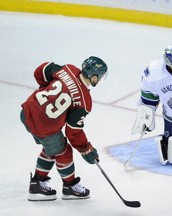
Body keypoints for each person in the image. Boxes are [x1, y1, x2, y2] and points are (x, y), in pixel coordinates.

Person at [20, 56, 108, 201]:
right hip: (43, 125)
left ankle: (37, 182)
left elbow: (41, 70)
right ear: (93, 76)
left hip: (27, 111)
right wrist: (86, 148)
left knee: (52, 147)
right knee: (63, 151)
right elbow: (73, 132)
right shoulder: (84, 101)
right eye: (100, 77)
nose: (99, 80)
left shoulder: (68, 69)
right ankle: (69, 187)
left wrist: (44, 89)